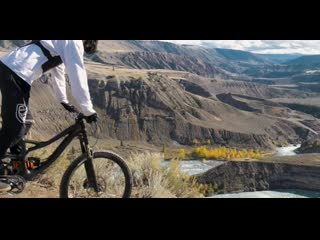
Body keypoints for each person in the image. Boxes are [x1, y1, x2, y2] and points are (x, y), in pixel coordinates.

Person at [0, 40, 99, 192]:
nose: (82, 50)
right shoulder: (74, 42)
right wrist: (88, 110)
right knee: (14, 130)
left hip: (14, 71)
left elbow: (58, 69)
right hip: (16, 74)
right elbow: (77, 73)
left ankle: (15, 171)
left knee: (25, 122)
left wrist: (63, 100)